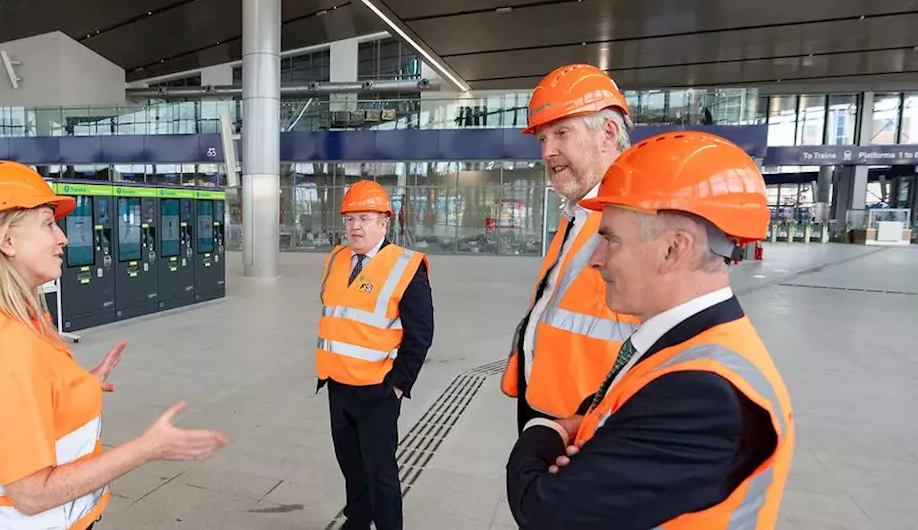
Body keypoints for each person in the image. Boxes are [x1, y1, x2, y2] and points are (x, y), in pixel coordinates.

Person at [505, 131, 796, 529]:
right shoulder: (681, 347)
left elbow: (543, 511)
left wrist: (545, 428)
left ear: (675, 249)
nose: (596, 258)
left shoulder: (705, 394)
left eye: (611, 240)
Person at [0, 161, 228, 530]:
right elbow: (31, 494)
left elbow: (20, 405)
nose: (63, 238)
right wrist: (148, 448)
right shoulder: (2, 341)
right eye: (47, 223)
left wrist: (79, 387)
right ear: (7, 241)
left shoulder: (3, 317)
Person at [501, 63, 641, 431]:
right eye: (543, 139)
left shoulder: (641, 220)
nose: (548, 152)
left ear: (608, 133)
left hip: (591, 426)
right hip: (547, 411)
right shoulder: (577, 216)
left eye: (562, 132)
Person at [316, 180, 434, 530]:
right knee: (350, 466)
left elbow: (421, 333)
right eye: (350, 218)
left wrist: (397, 385)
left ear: (385, 222)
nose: (356, 226)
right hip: (338, 386)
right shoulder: (337, 259)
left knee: (380, 473)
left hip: (377, 390)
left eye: (365, 218)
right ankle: (357, 520)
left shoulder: (407, 266)